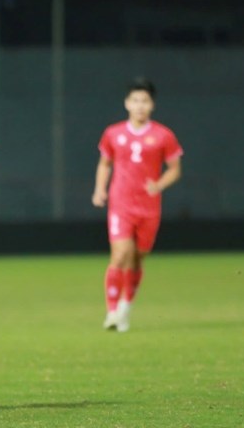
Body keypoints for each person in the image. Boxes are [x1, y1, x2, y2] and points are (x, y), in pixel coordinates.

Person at [91, 77, 183, 333]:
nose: (140, 105)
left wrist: (159, 184)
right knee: (120, 255)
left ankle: (125, 308)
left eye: (145, 101)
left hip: (149, 208)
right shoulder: (113, 133)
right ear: (127, 103)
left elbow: (175, 169)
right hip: (121, 204)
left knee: (137, 260)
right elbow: (105, 163)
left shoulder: (163, 135)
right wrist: (99, 189)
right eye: (135, 100)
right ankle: (111, 312)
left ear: (152, 105)